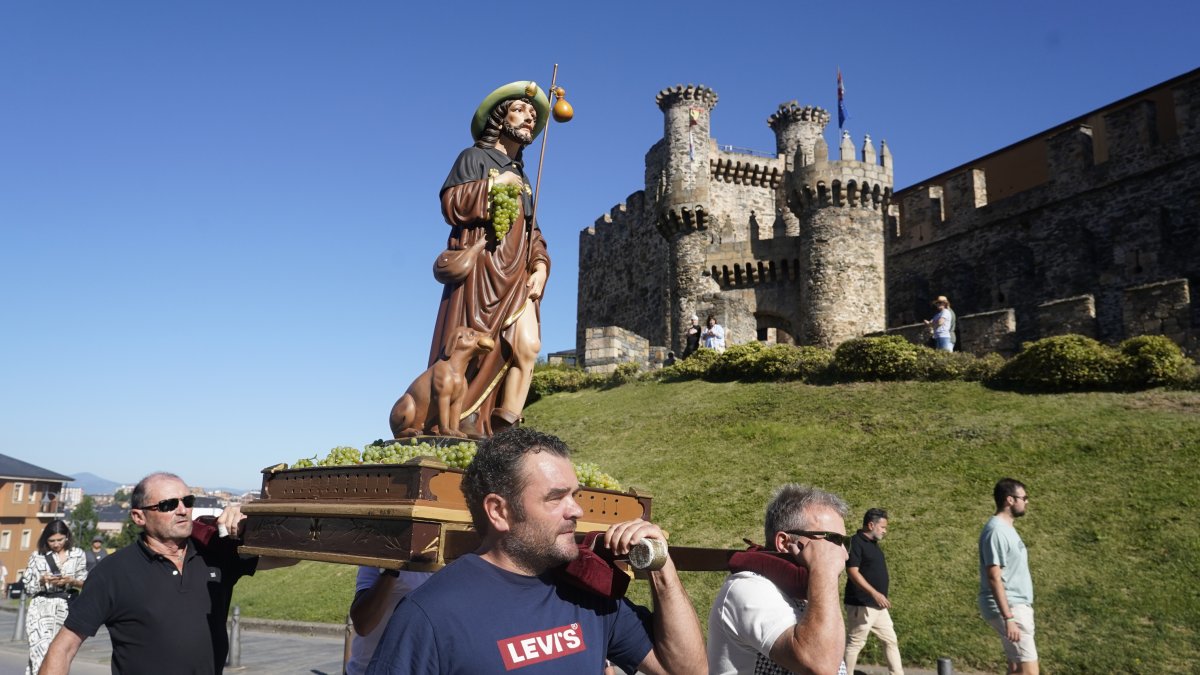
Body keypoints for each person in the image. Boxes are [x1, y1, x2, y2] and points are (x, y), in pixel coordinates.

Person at [366, 427, 706, 674]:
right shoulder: (430, 614)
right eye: (556, 498)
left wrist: (662, 569)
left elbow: (686, 671)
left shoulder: (589, 593)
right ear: (499, 511)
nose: (576, 510)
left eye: (574, 495)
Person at [39, 472, 296, 675]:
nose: (182, 510)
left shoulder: (216, 552)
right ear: (138, 517)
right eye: (168, 505)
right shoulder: (112, 572)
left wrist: (254, 523)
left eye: (188, 501)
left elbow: (290, 556)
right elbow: (64, 648)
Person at [429, 80, 553, 437]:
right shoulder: (474, 158)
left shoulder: (525, 178)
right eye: (520, 110)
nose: (529, 118)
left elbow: (532, 230)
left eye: (533, 115)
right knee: (475, 351)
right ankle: (460, 421)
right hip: (482, 273)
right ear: (500, 117)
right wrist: (493, 186)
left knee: (528, 345)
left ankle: (505, 430)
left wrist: (540, 266)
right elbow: (451, 204)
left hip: (518, 274)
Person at [708, 483, 850, 675]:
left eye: (844, 543)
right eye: (832, 540)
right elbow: (821, 665)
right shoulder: (749, 587)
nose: (843, 555)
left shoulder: (803, 589)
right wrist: (824, 570)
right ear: (784, 542)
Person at [979, 478, 1038, 675]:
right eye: (1024, 498)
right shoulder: (996, 531)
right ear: (1010, 500)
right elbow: (994, 576)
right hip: (1011, 607)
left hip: (1015, 605)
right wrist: (1009, 618)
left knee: (1016, 668)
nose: (1027, 501)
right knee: (1029, 671)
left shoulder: (1006, 528)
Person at [21, 520, 87, 675]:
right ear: (45, 539)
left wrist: (71, 581)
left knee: (58, 656)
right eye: (52, 541)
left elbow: (85, 583)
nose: (56, 544)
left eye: (60, 539)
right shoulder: (37, 556)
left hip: (65, 609)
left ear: (67, 537)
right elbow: (28, 588)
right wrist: (41, 580)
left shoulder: (78, 554)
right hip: (41, 610)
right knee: (40, 653)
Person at [844, 508, 904, 675]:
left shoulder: (873, 545)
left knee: (890, 640)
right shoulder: (856, 542)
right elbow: (852, 571)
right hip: (862, 604)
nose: (885, 531)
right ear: (871, 525)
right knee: (855, 643)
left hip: (877, 605)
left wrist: (878, 597)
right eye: (882, 527)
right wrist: (874, 593)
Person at [345, 566, 432, 675]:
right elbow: (363, 625)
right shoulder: (378, 562)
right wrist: (391, 569)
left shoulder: (446, 566)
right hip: (367, 670)